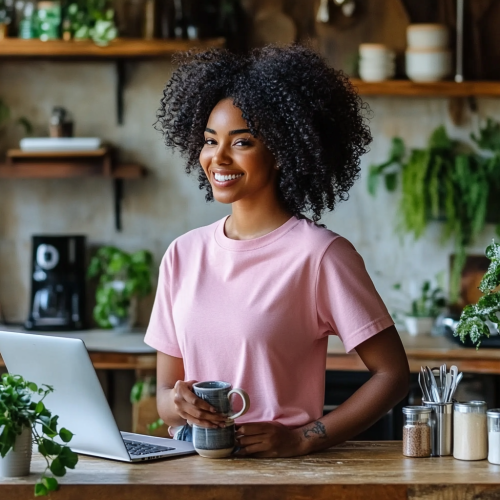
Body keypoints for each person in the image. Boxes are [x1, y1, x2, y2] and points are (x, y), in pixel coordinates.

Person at [145, 44, 410, 458]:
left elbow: (392, 375)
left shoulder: (320, 256)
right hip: (191, 467)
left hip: (279, 473)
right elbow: (165, 394)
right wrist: (178, 405)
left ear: (283, 151)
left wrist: (305, 438)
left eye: (242, 142)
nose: (219, 157)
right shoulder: (183, 254)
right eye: (210, 141)